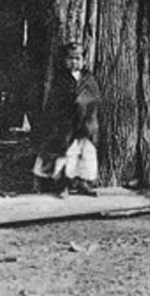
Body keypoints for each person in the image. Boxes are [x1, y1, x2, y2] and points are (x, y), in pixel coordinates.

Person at [32, 42, 100, 197]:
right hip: (66, 123)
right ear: (64, 60)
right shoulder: (61, 79)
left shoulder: (88, 78)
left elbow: (94, 98)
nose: (74, 62)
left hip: (85, 123)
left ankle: (84, 182)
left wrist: (86, 111)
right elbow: (55, 103)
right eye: (70, 58)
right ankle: (64, 185)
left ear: (83, 60)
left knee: (87, 153)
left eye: (78, 58)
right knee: (67, 154)